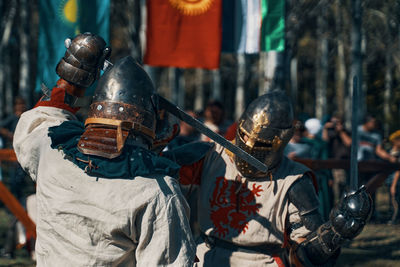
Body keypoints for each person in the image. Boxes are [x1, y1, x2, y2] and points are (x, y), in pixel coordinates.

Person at [13, 33, 195, 266]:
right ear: (149, 128)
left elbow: (41, 117)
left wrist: (74, 74)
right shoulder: (157, 192)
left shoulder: (50, 152)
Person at [165, 90, 372, 266]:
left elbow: (305, 253)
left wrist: (333, 235)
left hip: (262, 262)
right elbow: (157, 174)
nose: (248, 144)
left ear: (279, 143)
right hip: (207, 257)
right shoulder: (209, 155)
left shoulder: (294, 181)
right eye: (244, 135)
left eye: (261, 143)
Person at [303, 118, 333, 220]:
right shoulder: (321, 144)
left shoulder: (301, 141)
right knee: (322, 200)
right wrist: (329, 176)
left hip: (305, 175)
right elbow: (325, 162)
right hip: (321, 176)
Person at [322, 115, 351, 203]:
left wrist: (341, 131)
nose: (335, 124)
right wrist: (325, 128)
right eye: (333, 122)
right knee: (334, 193)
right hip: (331, 166)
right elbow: (324, 142)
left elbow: (349, 143)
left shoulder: (345, 132)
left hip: (343, 166)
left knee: (343, 191)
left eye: (337, 122)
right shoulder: (330, 133)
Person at [386, 130, 400, 224]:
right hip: (389, 179)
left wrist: (393, 185)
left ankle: (395, 218)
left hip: (396, 180)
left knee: (396, 200)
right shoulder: (388, 152)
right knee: (392, 200)